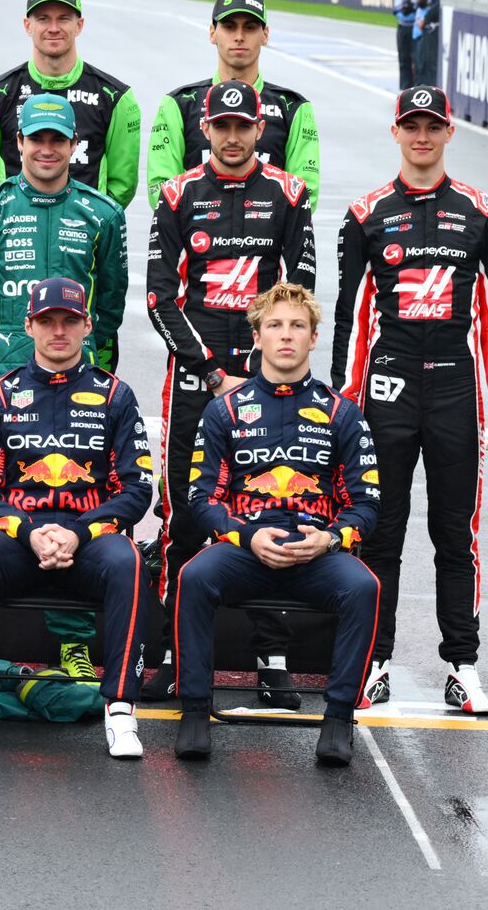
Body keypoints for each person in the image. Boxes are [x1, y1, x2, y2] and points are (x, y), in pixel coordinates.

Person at [332, 85, 488, 715]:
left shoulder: (481, 210)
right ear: (395, 132)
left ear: (447, 133)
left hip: (456, 389)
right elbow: (351, 319)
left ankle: (462, 666)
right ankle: (372, 661)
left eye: (432, 125)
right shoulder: (366, 213)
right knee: (380, 530)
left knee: (453, 533)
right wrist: (344, 400)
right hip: (389, 386)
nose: (422, 136)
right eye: (411, 125)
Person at [142, 79, 317, 706]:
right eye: (222, 126)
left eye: (245, 128)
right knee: (185, 508)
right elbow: (160, 297)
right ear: (207, 129)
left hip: (269, 369)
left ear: (259, 132)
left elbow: (299, 291)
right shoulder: (178, 193)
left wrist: (264, 367)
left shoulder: (288, 194)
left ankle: (271, 657)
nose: (234, 137)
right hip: (196, 373)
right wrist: (215, 373)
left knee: (272, 503)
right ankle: (169, 652)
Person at [176, 283, 381, 766]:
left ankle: (338, 719)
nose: (286, 335)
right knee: (192, 577)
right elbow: (200, 498)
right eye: (275, 325)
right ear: (258, 337)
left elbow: (368, 504)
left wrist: (330, 539)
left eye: (297, 326)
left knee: (364, 587)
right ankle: (194, 710)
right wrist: (246, 535)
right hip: (246, 548)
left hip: (314, 552)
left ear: (313, 339)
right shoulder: (223, 409)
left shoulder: (343, 413)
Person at [0, 277, 151, 759]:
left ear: (87, 325)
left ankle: (120, 708)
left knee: (128, 561)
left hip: (91, 540)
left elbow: (138, 488)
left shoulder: (115, 396)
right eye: (47, 321)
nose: (57, 330)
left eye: (68, 321)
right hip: (21, 540)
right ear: (30, 327)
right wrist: (29, 530)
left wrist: (79, 533)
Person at [0, 94, 126, 398]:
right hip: (1, 372)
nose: (46, 149)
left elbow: (110, 307)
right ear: (19, 141)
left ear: (74, 144)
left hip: (80, 371)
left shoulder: (104, 214)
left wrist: (72, 345)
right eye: (36, 138)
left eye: (57, 139)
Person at [0, 0, 141, 208]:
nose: (54, 28)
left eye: (64, 18)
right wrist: (7, 221)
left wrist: (91, 220)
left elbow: (122, 186)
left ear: (79, 25)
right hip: (15, 232)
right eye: (43, 18)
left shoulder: (115, 97)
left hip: (86, 233)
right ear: (28, 25)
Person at [146, 0, 321, 208]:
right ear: (212, 32)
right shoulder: (179, 104)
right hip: (198, 238)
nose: (239, 36)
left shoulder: (293, 108)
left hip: (267, 239)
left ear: (265, 34)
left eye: (250, 27)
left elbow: (306, 194)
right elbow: (161, 189)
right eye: (229, 27)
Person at [412, 0, 441, 86]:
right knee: (421, 63)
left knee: (430, 64)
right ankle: (420, 91)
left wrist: (425, 20)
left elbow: (436, 7)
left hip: (431, 29)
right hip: (421, 31)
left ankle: (430, 94)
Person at [392, 0, 417, 89]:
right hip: (402, 26)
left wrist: (411, 6)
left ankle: (415, 86)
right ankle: (404, 87)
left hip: (413, 26)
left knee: (415, 58)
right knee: (403, 58)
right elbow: (396, 10)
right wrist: (405, 7)